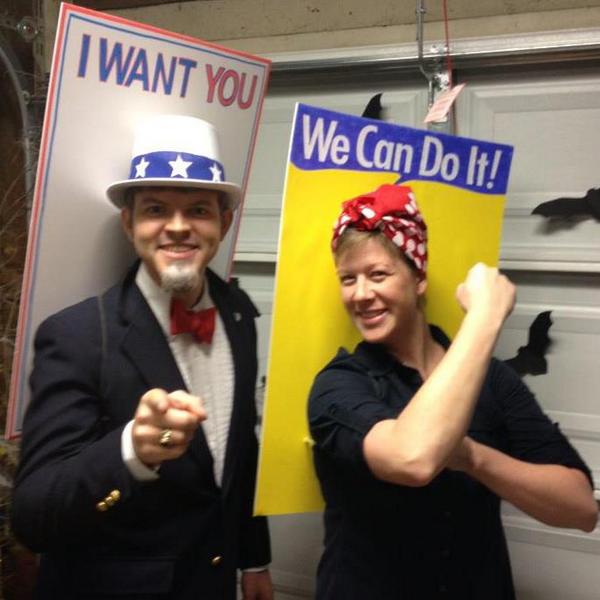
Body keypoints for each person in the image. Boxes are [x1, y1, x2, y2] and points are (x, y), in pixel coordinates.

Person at [12, 115, 273, 600]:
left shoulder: (238, 313)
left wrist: (254, 558)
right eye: (156, 209)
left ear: (223, 223)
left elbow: (241, 448)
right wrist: (131, 449)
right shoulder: (76, 336)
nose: (178, 227)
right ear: (129, 223)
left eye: (198, 209)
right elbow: (32, 516)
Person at [308, 183, 597, 600]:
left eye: (378, 275)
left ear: (419, 277)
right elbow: (413, 458)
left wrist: (473, 457)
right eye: (347, 279)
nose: (361, 294)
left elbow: (581, 509)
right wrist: (484, 316)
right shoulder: (338, 384)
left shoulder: (493, 380)